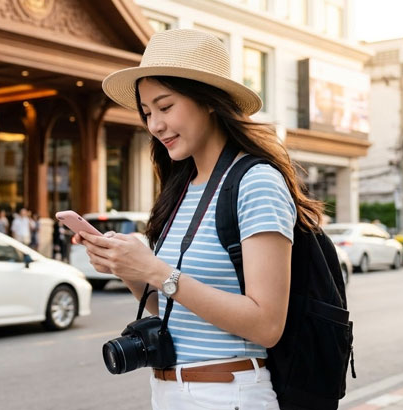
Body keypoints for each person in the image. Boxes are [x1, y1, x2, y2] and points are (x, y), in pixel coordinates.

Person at [74, 29, 323, 410]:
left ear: (208, 100)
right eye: (146, 112)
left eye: (165, 106)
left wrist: (157, 271)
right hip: (170, 393)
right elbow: (173, 306)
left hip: (227, 393)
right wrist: (127, 268)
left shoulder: (256, 182)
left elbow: (266, 325)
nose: (154, 125)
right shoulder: (182, 188)